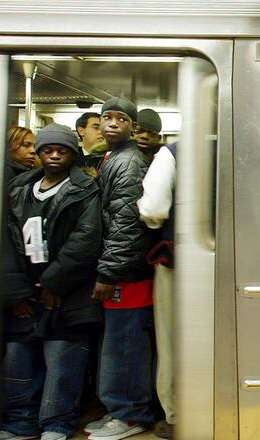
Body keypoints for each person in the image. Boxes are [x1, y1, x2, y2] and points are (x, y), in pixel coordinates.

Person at [0, 123, 103, 440]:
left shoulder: (85, 189)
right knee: (18, 362)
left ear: (73, 154)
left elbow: (86, 239)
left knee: (63, 363)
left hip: (70, 293)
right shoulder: (18, 189)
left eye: (62, 151)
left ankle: (57, 423)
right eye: (47, 150)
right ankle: (20, 423)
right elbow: (3, 240)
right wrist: (15, 291)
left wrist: (56, 282)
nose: (54, 155)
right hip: (25, 291)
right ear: (40, 154)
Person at [84, 96, 156, 440]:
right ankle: (119, 408)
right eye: (107, 118)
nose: (113, 123)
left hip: (127, 272)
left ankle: (130, 414)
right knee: (116, 342)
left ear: (132, 126)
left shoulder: (127, 162)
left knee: (125, 343)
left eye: (121, 119)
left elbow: (126, 223)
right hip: (120, 266)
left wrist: (109, 271)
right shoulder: (112, 157)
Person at [137, 142, 177, 439]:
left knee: (171, 339)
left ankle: (177, 414)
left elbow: (154, 209)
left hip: (179, 261)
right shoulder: (252, 147)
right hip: (244, 259)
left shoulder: (173, 153)